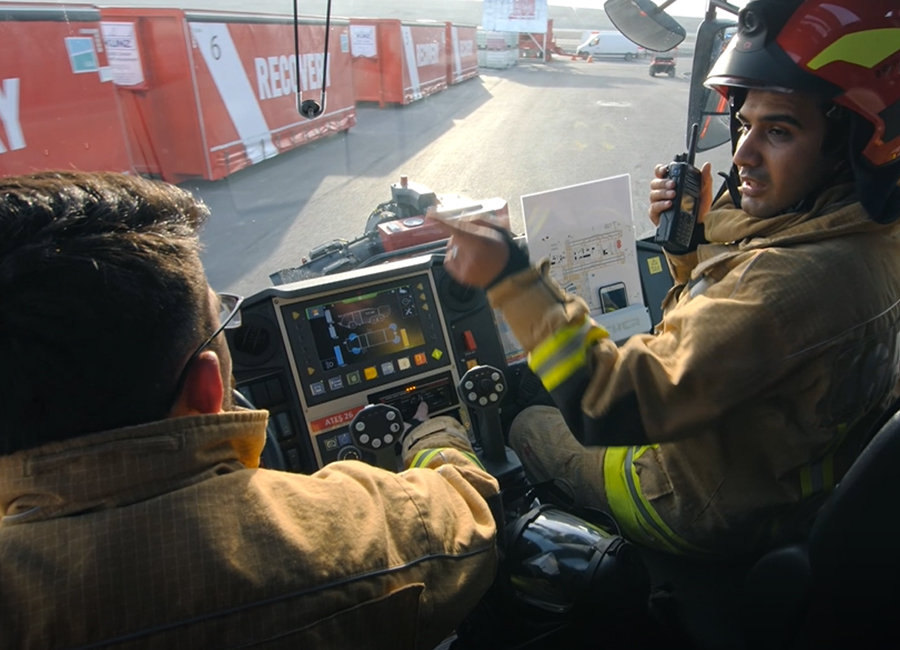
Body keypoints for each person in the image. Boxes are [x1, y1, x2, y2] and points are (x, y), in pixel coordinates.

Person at [434, 0, 900, 556]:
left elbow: (605, 406)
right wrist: (696, 242)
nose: (744, 154)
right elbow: (730, 328)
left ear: (857, 143)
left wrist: (509, 276)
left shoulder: (786, 284)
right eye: (745, 124)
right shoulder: (866, 238)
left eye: (779, 132)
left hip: (693, 504)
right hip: (789, 483)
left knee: (526, 419)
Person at [0, 171, 498, 650]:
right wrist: (437, 440)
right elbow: (470, 515)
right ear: (208, 386)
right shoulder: (354, 534)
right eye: (222, 324)